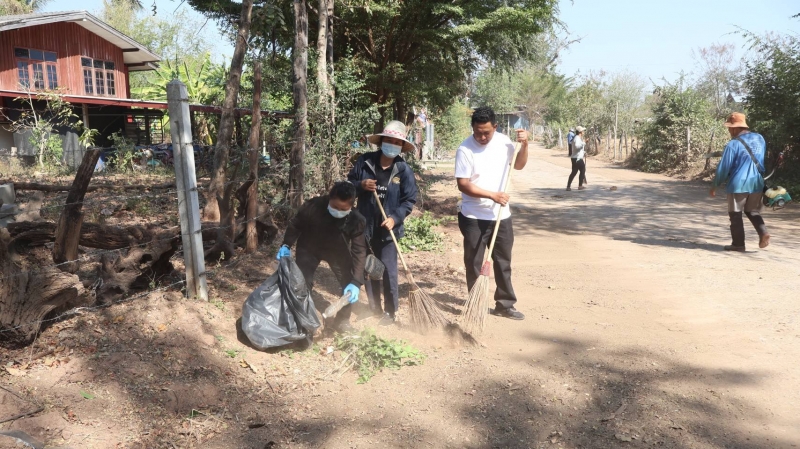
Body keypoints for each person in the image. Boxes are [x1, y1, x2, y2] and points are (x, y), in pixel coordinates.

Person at [454, 106, 529, 320]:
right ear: (472, 128)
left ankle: (505, 304)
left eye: (486, 132)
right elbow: (463, 184)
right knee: (474, 263)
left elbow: (519, 165)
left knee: (503, 262)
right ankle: (476, 305)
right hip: (473, 216)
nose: (482, 137)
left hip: (500, 215)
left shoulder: (504, 142)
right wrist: (491, 195)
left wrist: (524, 145)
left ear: (495, 127)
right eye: (478, 132)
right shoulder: (465, 149)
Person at [348, 121, 419, 325]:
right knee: (369, 267)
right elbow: (348, 186)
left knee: (388, 270)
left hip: (389, 230)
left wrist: (395, 218)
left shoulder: (403, 170)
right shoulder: (365, 162)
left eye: (397, 142)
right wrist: (360, 185)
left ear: (401, 146)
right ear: (381, 141)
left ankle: (390, 311)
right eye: (389, 140)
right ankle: (374, 308)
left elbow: (409, 200)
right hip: (365, 226)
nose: (392, 144)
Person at [277, 182, 367, 333]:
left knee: (348, 282)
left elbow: (359, 250)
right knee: (302, 281)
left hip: (338, 252)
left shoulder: (357, 220)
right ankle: (302, 319)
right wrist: (286, 245)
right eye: (335, 207)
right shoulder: (313, 206)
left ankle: (342, 321)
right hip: (310, 248)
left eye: (343, 209)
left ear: (352, 205)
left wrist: (356, 281)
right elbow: (295, 225)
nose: (338, 211)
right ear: (329, 198)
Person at [710, 112, 771, 251]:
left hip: (738, 183)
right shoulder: (760, 138)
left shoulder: (733, 144)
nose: (729, 131)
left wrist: (715, 185)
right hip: (757, 182)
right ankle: (764, 233)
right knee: (752, 211)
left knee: (735, 214)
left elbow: (723, 168)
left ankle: (738, 244)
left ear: (735, 128)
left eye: (729, 128)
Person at [567, 126, 587, 191]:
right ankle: (580, 185)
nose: (583, 132)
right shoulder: (577, 138)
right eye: (583, 131)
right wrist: (584, 143)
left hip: (575, 157)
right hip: (577, 158)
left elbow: (578, 149)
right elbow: (577, 147)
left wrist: (583, 152)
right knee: (582, 170)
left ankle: (568, 186)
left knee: (574, 172)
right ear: (580, 132)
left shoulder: (577, 138)